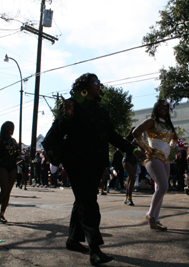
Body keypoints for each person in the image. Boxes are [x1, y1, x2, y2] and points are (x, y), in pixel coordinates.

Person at [58, 73, 145, 266]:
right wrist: (67, 115)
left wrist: (133, 149)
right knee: (88, 202)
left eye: (99, 82)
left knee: (82, 200)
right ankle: (95, 249)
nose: (99, 85)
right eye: (95, 82)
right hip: (76, 161)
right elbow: (59, 130)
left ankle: (73, 240)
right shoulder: (72, 105)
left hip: (96, 162)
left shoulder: (101, 111)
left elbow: (113, 136)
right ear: (85, 86)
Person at [134, 99, 178, 230]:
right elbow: (136, 132)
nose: (163, 109)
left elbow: (174, 138)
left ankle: (155, 220)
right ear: (156, 109)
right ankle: (151, 215)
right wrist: (146, 148)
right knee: (164, 186)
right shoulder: (151, 121)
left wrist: (171, 147)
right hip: (153, 157)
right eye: (160, 107)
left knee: (161, 189)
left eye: (165, 108)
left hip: (165, 158)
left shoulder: (168, 125)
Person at [123, 127, 139, 205]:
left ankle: (127, 197)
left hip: (134, 160)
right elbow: (122, 148)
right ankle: (129, 198)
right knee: (132, 178)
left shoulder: (138, 140)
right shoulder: (127, 140)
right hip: (127, 159)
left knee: (131, 179)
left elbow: (142, 149)